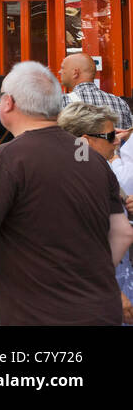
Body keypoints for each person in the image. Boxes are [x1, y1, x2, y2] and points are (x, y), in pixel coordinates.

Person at [0, 61, 133, 326]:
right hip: (98, 310)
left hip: (36, 314)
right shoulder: (92, 157)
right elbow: (123, 232)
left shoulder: (7, 158)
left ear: (9, 103)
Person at [56, 101, 133, 322]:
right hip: (94, 290)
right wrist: (114, 292)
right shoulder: (80, 178)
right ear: (85, 140)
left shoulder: (91, 167)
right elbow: (80, 242)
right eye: (109, 136)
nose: (116, 141)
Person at [59, 52, 133, 129]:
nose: (60, 72)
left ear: (75, 73)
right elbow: (128, 135)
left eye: (63, 68)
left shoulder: (61, 102)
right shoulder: (120, 102)